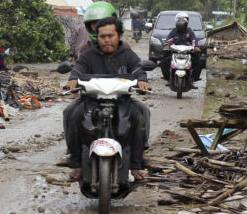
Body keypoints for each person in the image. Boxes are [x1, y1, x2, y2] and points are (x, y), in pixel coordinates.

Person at [62, 17, 150, 181]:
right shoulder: (88, 55)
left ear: (119, 36)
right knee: (71, 113)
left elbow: (138, 70)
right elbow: (78, 70)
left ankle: (137, 163)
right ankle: (75, 162)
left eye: (111, 35)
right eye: (102, 36)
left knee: (140, 114)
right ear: (97, 37)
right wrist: (72, 79)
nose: (107, 40)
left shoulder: (128, 55)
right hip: (91, 99)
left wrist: (142, 81)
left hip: (122, 100)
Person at [161, 11, 202, 81]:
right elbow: (169, 40)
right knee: (163, 62)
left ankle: (193, 79)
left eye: (183, 24)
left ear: (186, 23)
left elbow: (193, 40)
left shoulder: (190, 32)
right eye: (179, 24)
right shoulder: (173, 32)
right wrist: (167, 45)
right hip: (175, 52)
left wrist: (195, 47)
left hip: (188, 52)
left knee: (199, 63)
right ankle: (168, 79)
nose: (181, 25)